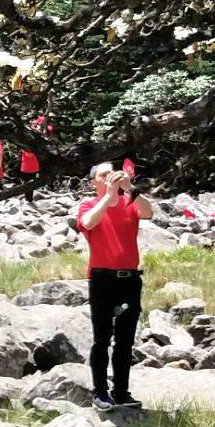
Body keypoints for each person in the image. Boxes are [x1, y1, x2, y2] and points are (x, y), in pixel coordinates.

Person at [78, 161, 154, 411]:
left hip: (130, 278)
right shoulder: (90, 204)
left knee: (125, 340)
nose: (111, 176)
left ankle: (121, 391)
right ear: (94, 183)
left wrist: (129, 188)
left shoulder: (128, 202)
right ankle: (100, 392)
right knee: (102, 338)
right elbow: (87, 223)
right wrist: (109, 196)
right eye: (104, 174)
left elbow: (148, 212)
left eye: (113, 172)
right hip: (102, 279)